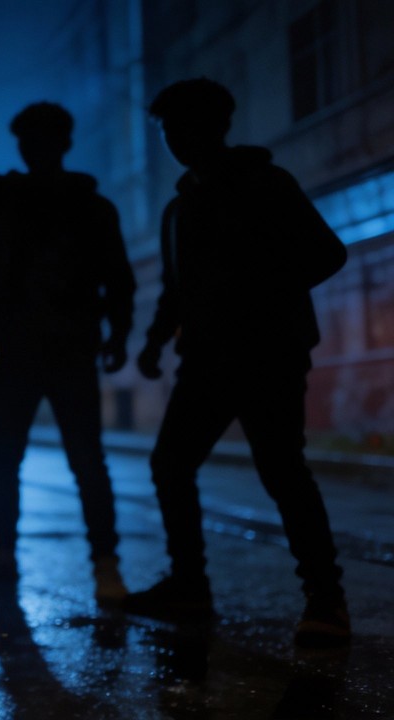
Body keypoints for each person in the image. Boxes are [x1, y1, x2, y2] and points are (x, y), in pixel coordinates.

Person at [125, 78, 350, 648]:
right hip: (205, 358)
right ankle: (190, 584)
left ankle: (326, 601)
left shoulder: (266, 184)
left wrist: (255, 294)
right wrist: (154, 343)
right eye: (169, 131)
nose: (177, 140)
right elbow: (176, 287)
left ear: (218, 127)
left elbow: (328, 252)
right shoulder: (179, 207)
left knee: (281, 470)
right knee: (172, 464)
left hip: (268, 352)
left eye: (186, 127)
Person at [0, 48, 135, 603]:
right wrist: (119, 333)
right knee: (65, 457)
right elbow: (120, 280)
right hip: (44, 348)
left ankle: (33, 558)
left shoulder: (16, 200)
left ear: (55, 144)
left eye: (40, 140)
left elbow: (119, 277)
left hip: (45, 348)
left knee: (38, 458)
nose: (35, 148)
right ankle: (86, 564)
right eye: (31, 140)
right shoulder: (54, 203)